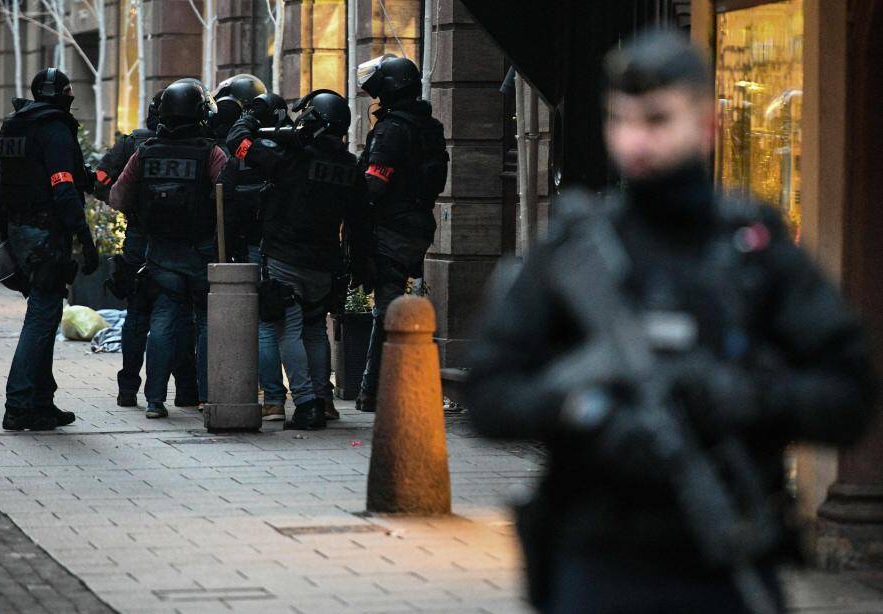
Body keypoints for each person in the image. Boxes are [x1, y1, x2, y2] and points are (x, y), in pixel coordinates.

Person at [465, 30, 877, 614]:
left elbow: (849, 397)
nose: (636, 141)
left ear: (707, 125)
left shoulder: (751, 250)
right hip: (597, 560)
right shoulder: (576, 252)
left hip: (721, 560)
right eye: (620, 119)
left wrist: (744, 397)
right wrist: (587, 408)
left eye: (658, 119)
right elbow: (489, 394)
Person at [226, 90, 371, 429]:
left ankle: (305, 403)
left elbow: (239, 144)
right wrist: (359, 265)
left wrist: (250, 116)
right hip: (325, 264)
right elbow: (361, 223)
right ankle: (322, 399)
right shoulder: (350, 168)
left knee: (286, 330)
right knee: (315, 329)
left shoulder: (290, 159)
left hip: (285, 259)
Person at [108, 79, 228, 418]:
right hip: (201, 251)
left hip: (160, 253)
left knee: (163, 322)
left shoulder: (145, 152)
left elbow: (116, 197)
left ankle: (155, 401)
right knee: (205, 323)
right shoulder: (211, 152)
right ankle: (207, 397)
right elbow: (227, 196)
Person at [0, 68, 100, 431]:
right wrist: (83, 236)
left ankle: (40, 402)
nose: (71, 95)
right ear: (56, 93)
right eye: (68, 90)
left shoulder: (15, 125)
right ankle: (19, 404)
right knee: (42, 314)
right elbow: (64, 188)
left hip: (21, 230)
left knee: (46, 313)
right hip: (46, 233)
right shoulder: (54, 128)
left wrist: (8, 232)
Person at [355, 55, 448, 413]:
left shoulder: (393, 129)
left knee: (387, 308)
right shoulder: (429, 126)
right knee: (394, 304)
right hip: (417, 224)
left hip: (392, 226)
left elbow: (374, 184)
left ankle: (375, 389)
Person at [94, 90, 199, 410]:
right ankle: (184, 390)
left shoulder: (134, 144)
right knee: (179, 318)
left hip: (138, 240)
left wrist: (132, 208)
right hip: (179, 244)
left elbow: (99, 180)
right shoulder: (196, 146)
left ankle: (128, 388)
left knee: (137, 315)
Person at [217, 90, 292, 421]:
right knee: (302, 325)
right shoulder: (293, 149)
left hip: (252, 246)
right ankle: (316, 397)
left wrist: (230, 248)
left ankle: (274, 397)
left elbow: (225, 199)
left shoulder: (248, 153)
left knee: (263, 323)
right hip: (287, 247)